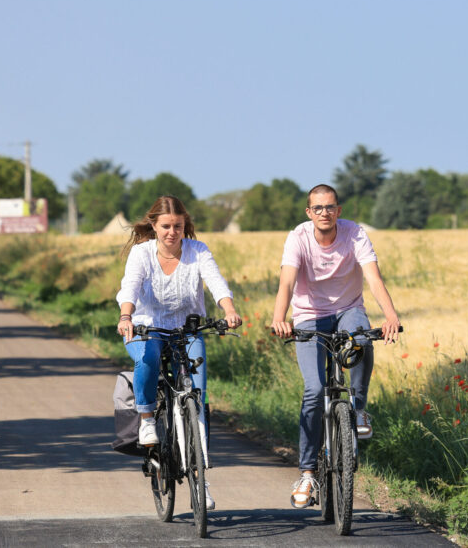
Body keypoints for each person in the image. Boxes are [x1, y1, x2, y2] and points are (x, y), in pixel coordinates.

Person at [271, 184, 401, 509]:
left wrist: (391, 316)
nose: (325, 213)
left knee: (361, 337)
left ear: (338, 210)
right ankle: (307, 473)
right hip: (308, 316)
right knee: (314, 391)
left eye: (330, 207)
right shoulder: (297, 238)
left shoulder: (354, 234)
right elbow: (287, 282)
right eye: (318, 208)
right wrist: (279, 318)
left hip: (348, 310)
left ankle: (358, 408)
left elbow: (373, 278)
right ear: (309, 213)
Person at [116, 195, 242, 511]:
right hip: (147, 327)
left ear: (185, 226)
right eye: (167, 226)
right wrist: (126, 316)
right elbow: (130, 286)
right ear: (154, 227)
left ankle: (201, 480)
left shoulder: (197, 251)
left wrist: (228, 309)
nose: (173, 232)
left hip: (187, 330)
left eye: (179, 226)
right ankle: (146, 418)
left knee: (198, 396)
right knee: (147, 358)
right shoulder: (142, 254)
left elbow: (215, 280)